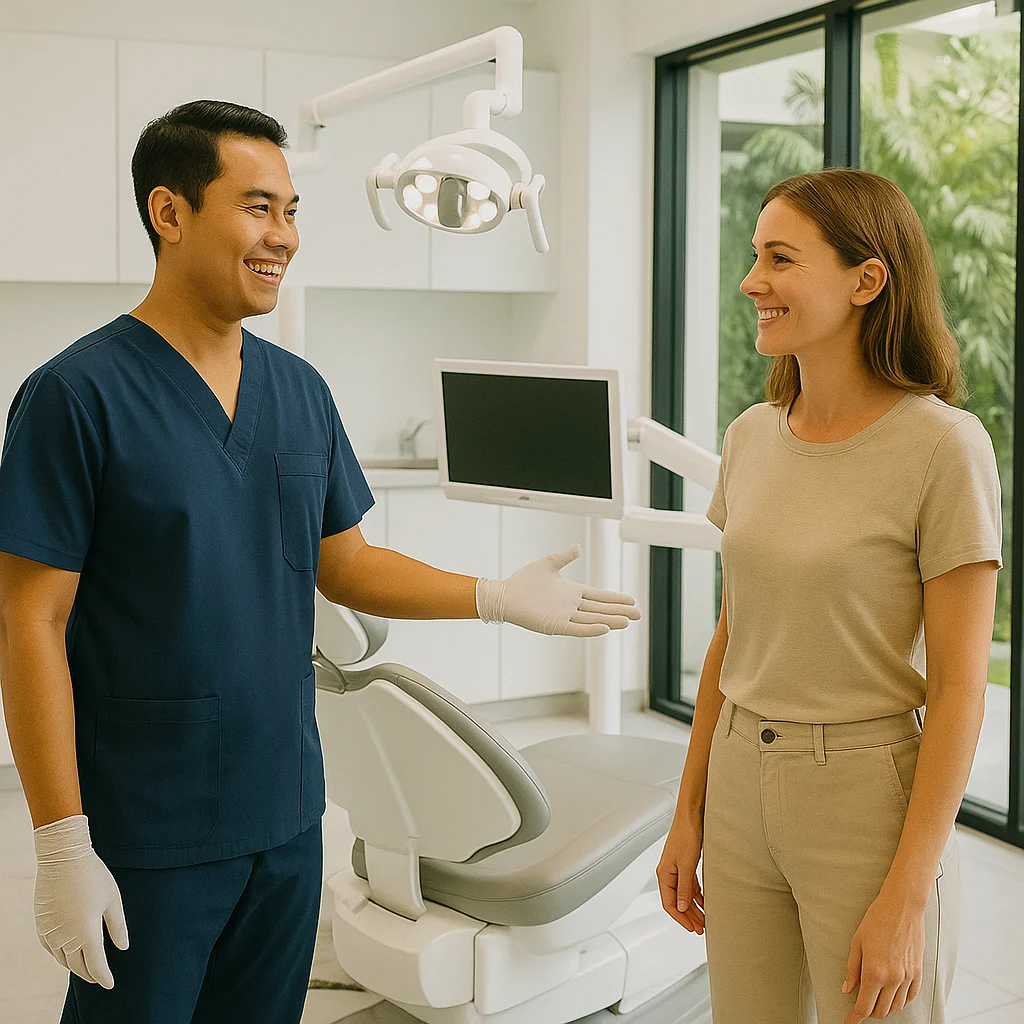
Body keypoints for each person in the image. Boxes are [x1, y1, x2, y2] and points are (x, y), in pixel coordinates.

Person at [0, 99, 641, 1024]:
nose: (284, 236)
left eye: (293, 211)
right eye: (258, 206)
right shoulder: (76, 396)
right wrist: (61, 841)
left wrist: (494, 596)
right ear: (168, 213)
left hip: (289, 816)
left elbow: (347, 565)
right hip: (149, 826)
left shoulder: (298, 391)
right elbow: (30, 620)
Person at [656, 168, 1002, 1024]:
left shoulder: (944, 448)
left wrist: (908, 894)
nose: (751, 282)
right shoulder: (751, 435)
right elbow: (733, 637)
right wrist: (689, 808)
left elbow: (961, 690)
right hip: (739, 776)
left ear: (867, 280)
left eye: (779, 259)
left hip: (864, 795)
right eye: (752, 257)